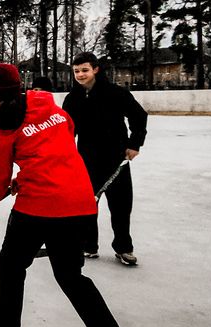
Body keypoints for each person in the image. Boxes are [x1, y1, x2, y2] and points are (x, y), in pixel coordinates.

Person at [0, 63, 146, 327]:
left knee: (12, 263)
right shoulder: (49, 106)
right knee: (72, 277)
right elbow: (57, 147)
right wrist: (28, 175)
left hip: (39, 206)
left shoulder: (2, 128)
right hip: (78, 201)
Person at [62, 52, 148, 266]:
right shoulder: (72, 98)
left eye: (84, 70)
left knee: (120, 207)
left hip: (115, 160)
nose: (80, 75)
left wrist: (134, 143)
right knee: (86, 205)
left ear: (96, 69)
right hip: (85, 161)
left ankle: (123, 248)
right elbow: (66, 130)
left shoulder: (115, 93)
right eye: (76, 71)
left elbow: (139, 116)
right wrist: (64, 153)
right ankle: (88, 245)